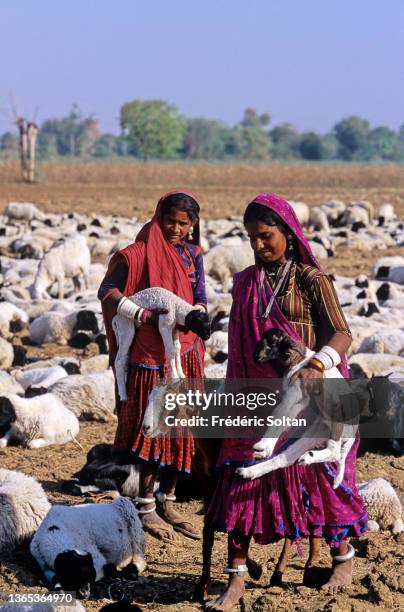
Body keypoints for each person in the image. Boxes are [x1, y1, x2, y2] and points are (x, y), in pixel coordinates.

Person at [205, 193, 368, 611]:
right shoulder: (245, 282)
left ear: (289, 234)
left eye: (266, 236)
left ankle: (343, 558)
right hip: (254, 400)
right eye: (251, 238)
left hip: (307, 397)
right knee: (240, 476)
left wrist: (319, 361)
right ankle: (237, 578)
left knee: (318, 477)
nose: (258, 246)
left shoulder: (312, 279)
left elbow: (341, 333)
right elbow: (242, 348)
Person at [98, 190, 207, 542]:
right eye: (170, 221)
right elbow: (108, 291)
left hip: (184, 350)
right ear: (159, 217)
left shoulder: (194, 255)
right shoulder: (137, 253)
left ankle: (168, 501)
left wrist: (200, 314)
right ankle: (145, 506)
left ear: (192, 226)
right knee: (155, 427)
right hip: (149, 354)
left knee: (182, 427)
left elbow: (199, 294)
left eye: (183, 223)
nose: (175, 228)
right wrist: (140, 314)